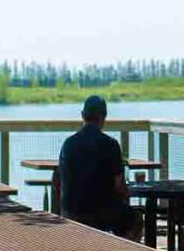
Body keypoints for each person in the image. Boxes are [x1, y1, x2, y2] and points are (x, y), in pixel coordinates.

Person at [56, 95, 143, 241]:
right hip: (101, 214)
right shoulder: (111, 145)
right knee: (135, 219)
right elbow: (119, 185)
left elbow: (59, 181)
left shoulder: (68, 144)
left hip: (71, 213)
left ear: (83, 115)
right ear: (104, 117)